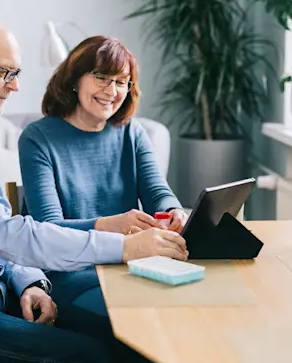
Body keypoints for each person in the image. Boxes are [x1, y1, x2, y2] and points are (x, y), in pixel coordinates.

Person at [0, 16, 188, 363]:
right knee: (90, 355)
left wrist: (28, 282)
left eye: (16, 74)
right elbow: (3, 233)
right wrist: (124, 246)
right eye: (4, 72)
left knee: (129, 340)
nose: (15, 86)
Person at [18, 35, 188, 323]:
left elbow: (159, 193)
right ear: (74, 79)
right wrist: (110, 225)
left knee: (188, 307)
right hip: (69, 274)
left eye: (122, 82)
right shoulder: (37, 139)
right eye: (101, 77)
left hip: (133, 265)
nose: (112, 90)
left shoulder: (131, 133)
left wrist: (174, 211)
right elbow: (48, 229)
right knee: (145, 319)